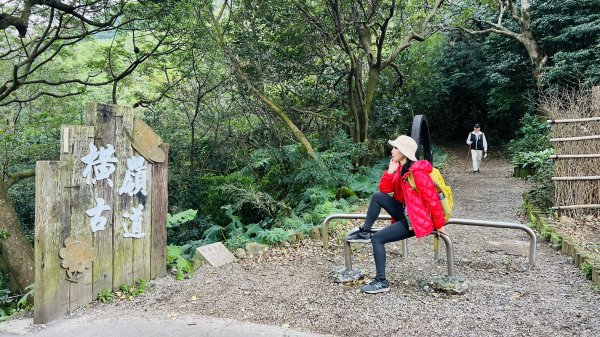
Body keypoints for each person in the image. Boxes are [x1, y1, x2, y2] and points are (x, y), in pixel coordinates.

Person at [345, 135, 447, 294]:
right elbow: (385, 190)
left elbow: (432, 199)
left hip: (416, 220)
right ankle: (364, 231)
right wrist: (390, 172)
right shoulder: (400, 169)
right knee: (378, 196)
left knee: (378, 239)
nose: (392, 151)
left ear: (404, 152)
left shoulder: (418, 173)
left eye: (395, 148)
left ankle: (381, 281)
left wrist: (439, 225)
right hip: (407, 213)